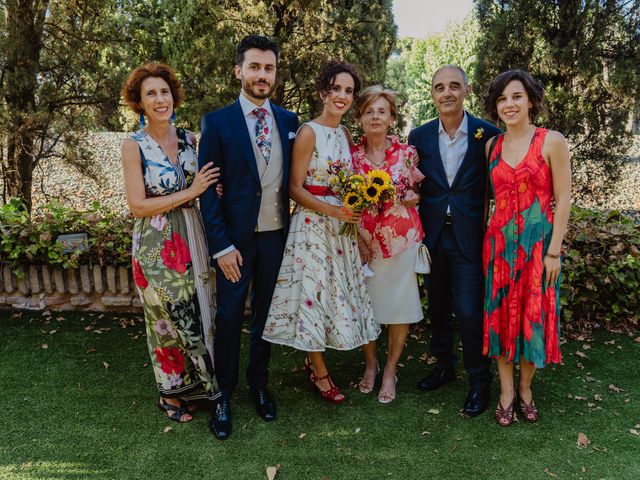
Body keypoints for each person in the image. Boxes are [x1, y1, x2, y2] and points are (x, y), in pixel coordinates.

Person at [198, 35, 299, 440]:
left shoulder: (290, 122)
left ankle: (259, 383)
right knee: (228, 317)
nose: (262, 75)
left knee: (266, 316)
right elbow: (208, 188)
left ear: (275, 73)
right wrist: (221, 245)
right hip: (234, 243)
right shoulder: (216, 122)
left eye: (269, 68)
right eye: (254, 67)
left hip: (277, 237)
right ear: (239, 70)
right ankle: (224, 393)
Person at [263, 61, 379, 404]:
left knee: (336, 295)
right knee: (312, 295)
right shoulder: (308, 132)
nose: (342, 96)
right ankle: (319, 370)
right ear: (323, 93)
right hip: (313, 226)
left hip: (342, 228)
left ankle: (317, 357)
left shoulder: (344, 134)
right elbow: (295, 189)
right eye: (337, 89)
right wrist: (333, 211)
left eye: (348, 91)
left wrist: (357, 229)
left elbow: (348, 187)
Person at [120, 62, 221, 426]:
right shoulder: (134, 146)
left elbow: (205, 184)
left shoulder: (190, 138)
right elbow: (137, 205)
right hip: (156, 240)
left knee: (200, 310)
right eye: (150, 93)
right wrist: (190, 192)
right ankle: (171, 393)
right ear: (139, 102)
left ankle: (204, 385)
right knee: (167, 318)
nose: (159, 99)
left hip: (195, 233)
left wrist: (210, 189)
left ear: (173, 96)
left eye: (164, 91)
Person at [408, 65, 500, 417]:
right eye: (439, 87)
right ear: (432, 93)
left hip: (470, 237)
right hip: (432, 235)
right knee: (439, 308)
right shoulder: (418, 136)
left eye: (453, 86)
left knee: (469, 311)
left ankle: (480, 381)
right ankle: (444, 366)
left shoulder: (487, 134)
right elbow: (413, 183)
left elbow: (498, 185)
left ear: (467, 90)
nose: (446, 93)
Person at [482, 69, 571, 426]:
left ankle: (525, 389)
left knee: (534, 318)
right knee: (501, 318)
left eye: (516, 96)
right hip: (499, 249)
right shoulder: (492, 146)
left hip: (538, 250)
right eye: (502, 98)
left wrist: (553, 252)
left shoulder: (551, 141)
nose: (509, 104)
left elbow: (563, 199)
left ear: (531, 100)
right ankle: (505, 392)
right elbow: (491, 202)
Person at [351, 86, 425, 404]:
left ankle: (391, 369)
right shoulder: (350, 156)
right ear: (360, 118)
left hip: (402, 244)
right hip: (364, 246)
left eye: (382, 111)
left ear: (392, 117)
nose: (375, 116)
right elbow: (345, 201)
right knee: (365, 308)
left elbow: (418, 195)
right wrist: (356, 239)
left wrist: (413, 197)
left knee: (399, 309)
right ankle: (371, 364)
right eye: (369, 111)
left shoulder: (407, 154)